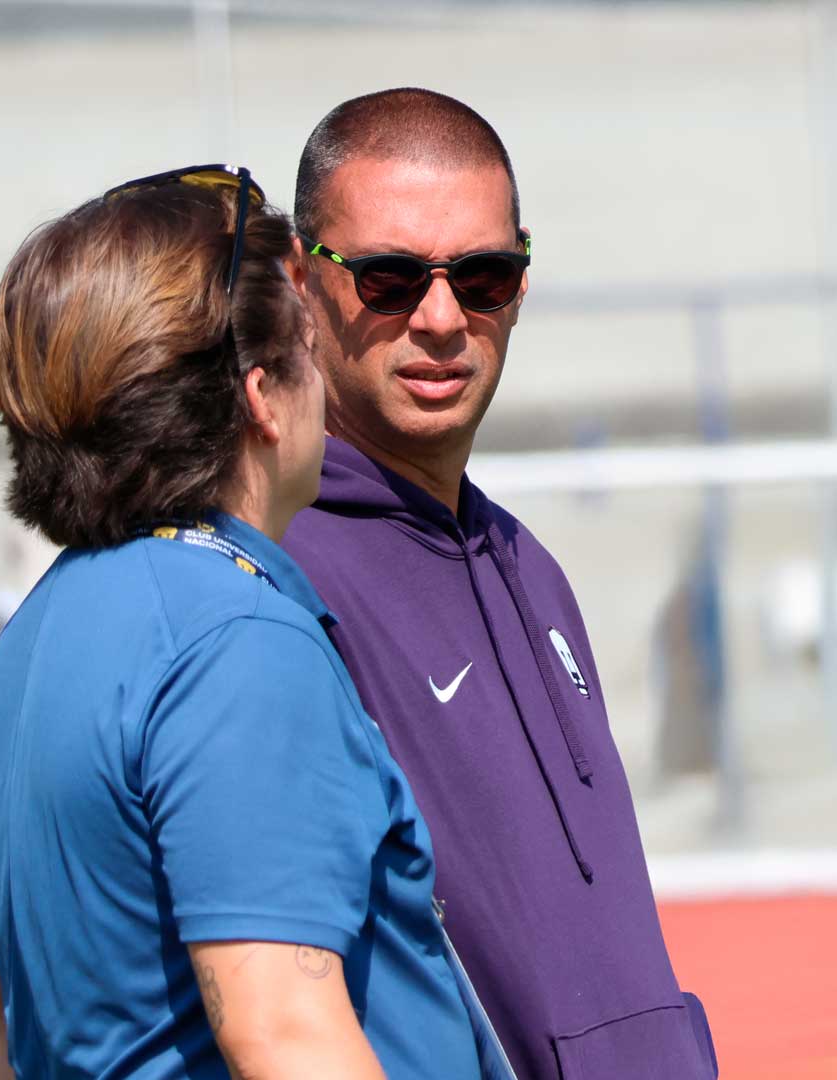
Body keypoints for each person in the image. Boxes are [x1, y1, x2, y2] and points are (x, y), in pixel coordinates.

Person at [0, 166, 497, 1080]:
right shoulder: (235, 643)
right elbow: (283, 1032)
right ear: (260, 394)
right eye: (305, 341)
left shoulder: (34, 636)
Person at [282, 88, 720, 1078]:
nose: (442, 319)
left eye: (482, 275)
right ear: (301, 284)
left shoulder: (534, 569)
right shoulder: (274, 585)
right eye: (389, 279)